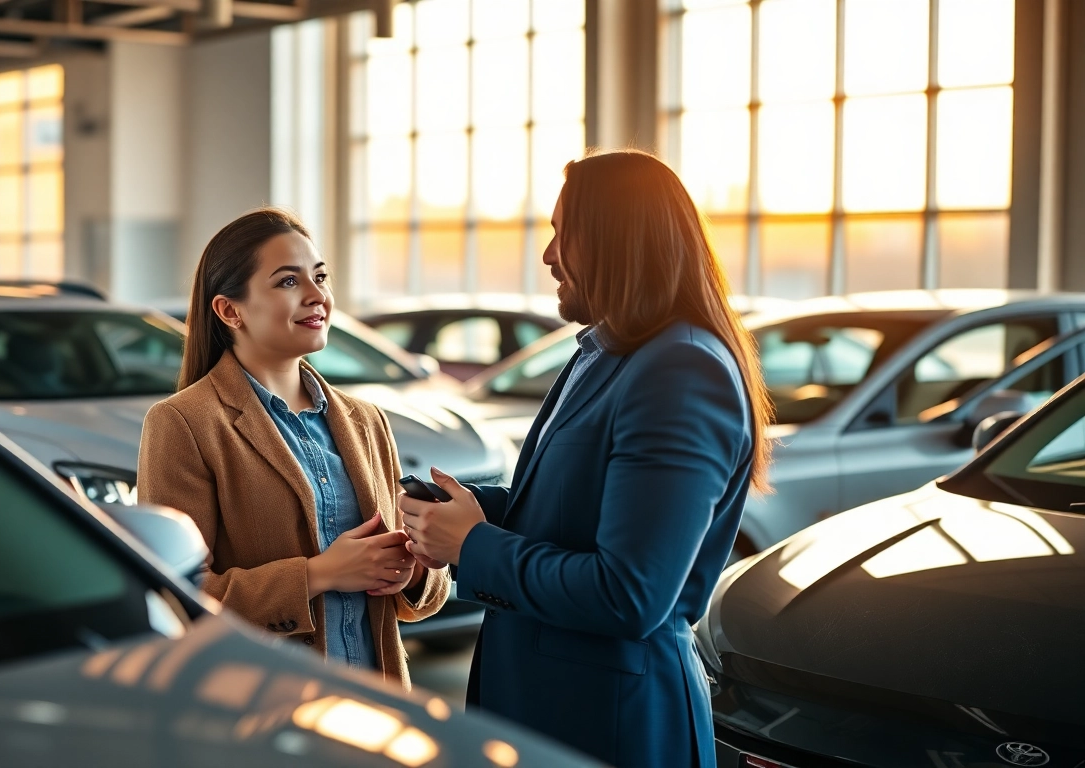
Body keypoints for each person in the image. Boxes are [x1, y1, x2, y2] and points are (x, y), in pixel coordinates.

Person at [400, 150, 772, 766]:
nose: (548, 255)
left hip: (613, 724)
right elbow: (570, 507)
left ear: (614, 242)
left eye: (561, 234)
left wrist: (472, 546)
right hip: (553, 712)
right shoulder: (606, 352)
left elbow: (630, 594)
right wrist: (461, 512)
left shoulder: (681, 370)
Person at [139, 207, 450, 690]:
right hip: (264, 705)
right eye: (288, 281)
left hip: (375, 699)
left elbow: (424, 597)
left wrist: (410, 571)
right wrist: (318, 574)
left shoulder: (366, 421)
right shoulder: (184, 423)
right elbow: (175, 594)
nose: (317, 296)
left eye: (320, 276)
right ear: (229, 310)